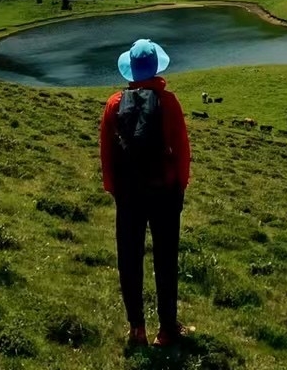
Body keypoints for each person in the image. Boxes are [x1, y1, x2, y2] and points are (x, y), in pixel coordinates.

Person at [99, 37, 192, 350]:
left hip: (129, 194)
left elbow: (107, 154)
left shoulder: (114, 104)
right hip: (164, 191)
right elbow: (182, 150)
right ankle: (166, 330)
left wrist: (114, 189)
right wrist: (180, 186)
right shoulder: (169, 103)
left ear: (130, 70)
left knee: (129, 258)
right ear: (156, 68)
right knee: (166, 259)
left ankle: (136, 328)